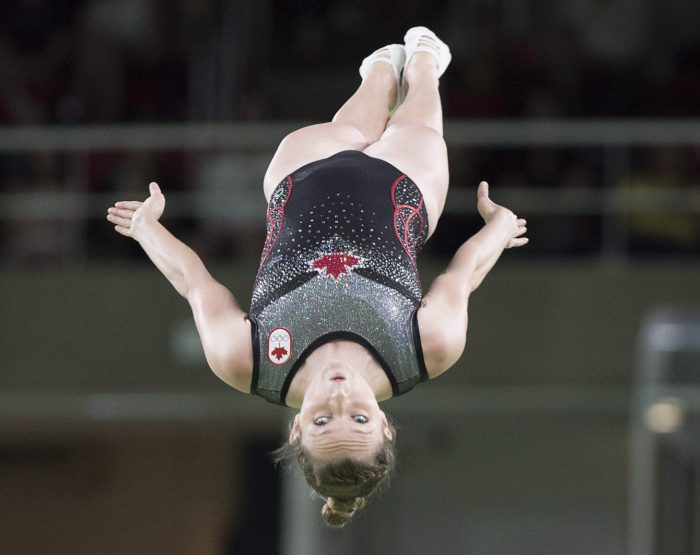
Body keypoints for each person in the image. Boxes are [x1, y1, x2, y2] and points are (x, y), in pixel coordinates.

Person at [106, 27, 527, 527]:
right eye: (360, 419)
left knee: (377, 73)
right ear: (387, 427)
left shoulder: (248, 362)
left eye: (323, 420)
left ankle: (382, 68)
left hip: (300, 178)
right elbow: (462, 275)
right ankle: (425, 64)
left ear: (296, 430)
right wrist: (499, 229)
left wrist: (146, 228)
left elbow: (196, 285)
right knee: (421, 71)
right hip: (405, 186)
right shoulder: (425, 348)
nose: (340, 396)